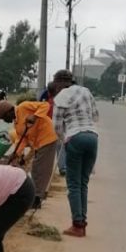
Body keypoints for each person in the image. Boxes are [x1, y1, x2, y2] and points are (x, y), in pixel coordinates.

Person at [52, 69, 100, 238]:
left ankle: (77, 225)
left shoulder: (61, 97)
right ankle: (82, 222)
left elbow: (56, 126)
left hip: (75, 137)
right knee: (83, 183)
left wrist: (65, 139)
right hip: (93, 137)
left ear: (58, 83)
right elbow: (95, 115)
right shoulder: (86, 91)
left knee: (73, 184)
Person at [0, 98, 59, 209]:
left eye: (5, 118)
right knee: (37, 169)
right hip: (38, 142)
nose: (5, 121)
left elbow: (45, 105)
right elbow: (22, 138)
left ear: (9, 111)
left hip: (47, 137)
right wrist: (16, 154)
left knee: (40, 169)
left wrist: (35, 116)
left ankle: (37, 198)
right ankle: (36, 196)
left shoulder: (24, 107)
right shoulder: (16, 123)